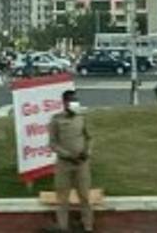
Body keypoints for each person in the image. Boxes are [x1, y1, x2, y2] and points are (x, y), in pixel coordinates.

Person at [47, 90, 93, 233]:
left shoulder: (82, 117)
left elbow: (89, 138)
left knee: (84, 196)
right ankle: (63, 227)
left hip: (82, 164)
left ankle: (88, 226)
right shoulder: (56, 120)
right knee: (62, 198)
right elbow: (53, 144)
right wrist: (67, 155)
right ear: (65, 102)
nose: (75, 103)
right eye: (72, 100)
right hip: (64, 165)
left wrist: (87, 152)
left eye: (76, 100)